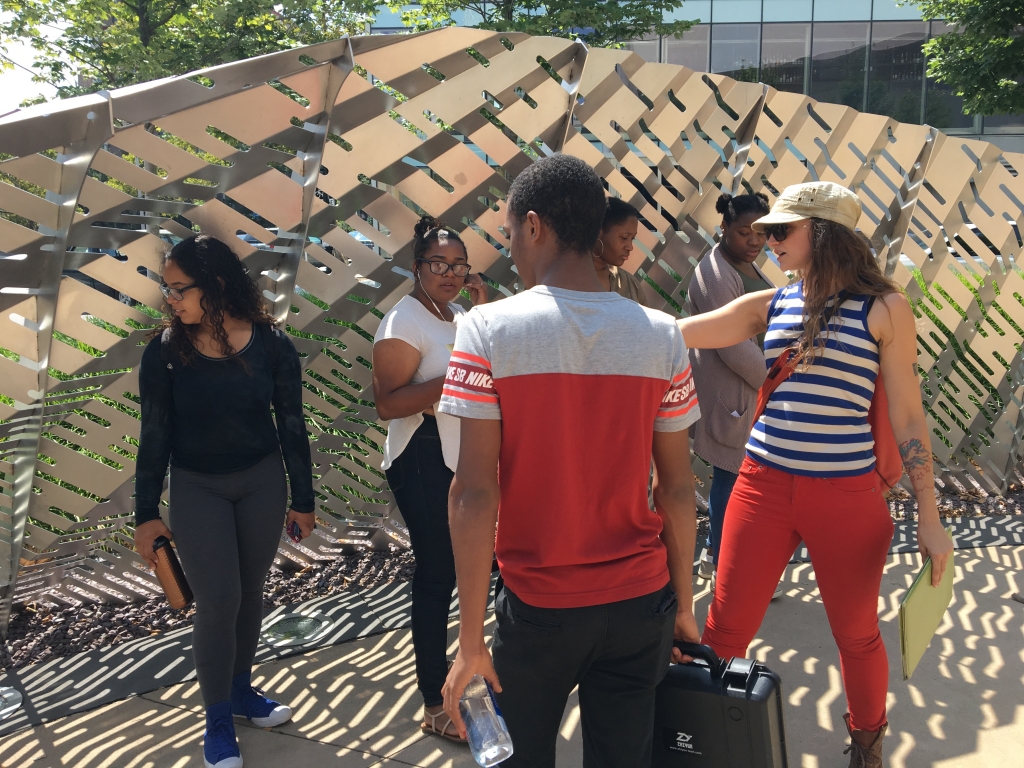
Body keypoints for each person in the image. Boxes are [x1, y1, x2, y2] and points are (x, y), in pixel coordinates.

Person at [438, 154, 702, 767]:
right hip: (643, 605)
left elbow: (474, 494)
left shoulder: (486, 330)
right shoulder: (662, 334)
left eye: (508, 233)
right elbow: (679, 490)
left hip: (540, 613)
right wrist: (685, 607)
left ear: (534, 226)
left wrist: (472, 640)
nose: (511, 249)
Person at [678, 181, 953, 768]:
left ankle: (867, 742)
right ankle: (704, 743)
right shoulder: (775, 302)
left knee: (856, 635)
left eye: (780, 230)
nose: (764, 239)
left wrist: (929, 517)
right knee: (724, 632)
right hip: (761, 486)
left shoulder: (885, 308)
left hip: (847, 497)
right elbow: (683, 331)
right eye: (763, 230)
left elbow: (908, 414)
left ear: (822, 234)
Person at [133, 235, 315, 768]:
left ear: (213, 285)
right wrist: (146, 513)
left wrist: (302, 499)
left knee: (249, 594)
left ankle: (239, 692)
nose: (171, 299)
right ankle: (216, 721)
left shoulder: (271, 345)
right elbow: (154, 436)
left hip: (261, 484)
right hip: (198, 488)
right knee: (217, 601)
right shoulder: (165, 353)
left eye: (178, 288)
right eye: (167, 289)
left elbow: (292, 425)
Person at [371, 215, 488, 742]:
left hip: (459, 453)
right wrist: (453, 380)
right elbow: (387, 403)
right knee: (438, 573)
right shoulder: (403, 322)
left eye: (459, 265)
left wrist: (482, 316)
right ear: (417, 267)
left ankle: (460, 685)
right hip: (420, 454)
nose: (450, 272)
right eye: (439, 264)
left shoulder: (459, 313)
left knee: (467, 570)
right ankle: (433, 702)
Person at [687, 192, 774, 593]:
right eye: (744, 232)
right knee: (730, 474)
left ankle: (715, 554)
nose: (754, 240)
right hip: (733, 390)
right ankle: (724, 563)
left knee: (737, 475)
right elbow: (730, 344)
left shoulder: (746, 265)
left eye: (760, 233)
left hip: (751, 389)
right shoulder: (715, 274)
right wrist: (775, 378)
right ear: (723, 228)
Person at [592, 196, 650, 305]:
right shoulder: (569, 276)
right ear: (598, 233)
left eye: (632, 239)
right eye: (624, 237)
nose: (630, 247)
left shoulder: (630, 284)